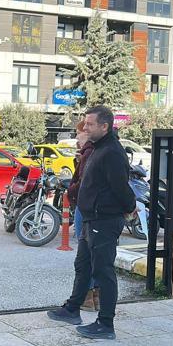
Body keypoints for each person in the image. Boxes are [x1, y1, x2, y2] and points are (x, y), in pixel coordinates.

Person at [47, 105, 136, 340]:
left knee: (103, 271)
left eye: (90, 124)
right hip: (90, 218)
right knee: (83, 265)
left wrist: (130, 208)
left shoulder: (112, 152)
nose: (85, 127)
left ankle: (106, 324)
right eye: (85, 123)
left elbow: (121, 188)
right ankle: (72, 309)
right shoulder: (97, 148)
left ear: (104, 126)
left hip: (104, 220)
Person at [67, 121, 98, 312]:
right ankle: (96, 296)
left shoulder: (90, 152)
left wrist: (70, 190)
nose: (77, 137)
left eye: (79, 133)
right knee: (94, 253)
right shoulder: (96, 151)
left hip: (85, 206)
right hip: (95, 208)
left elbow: (83, 181)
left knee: (85, 253)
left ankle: (86, 296)